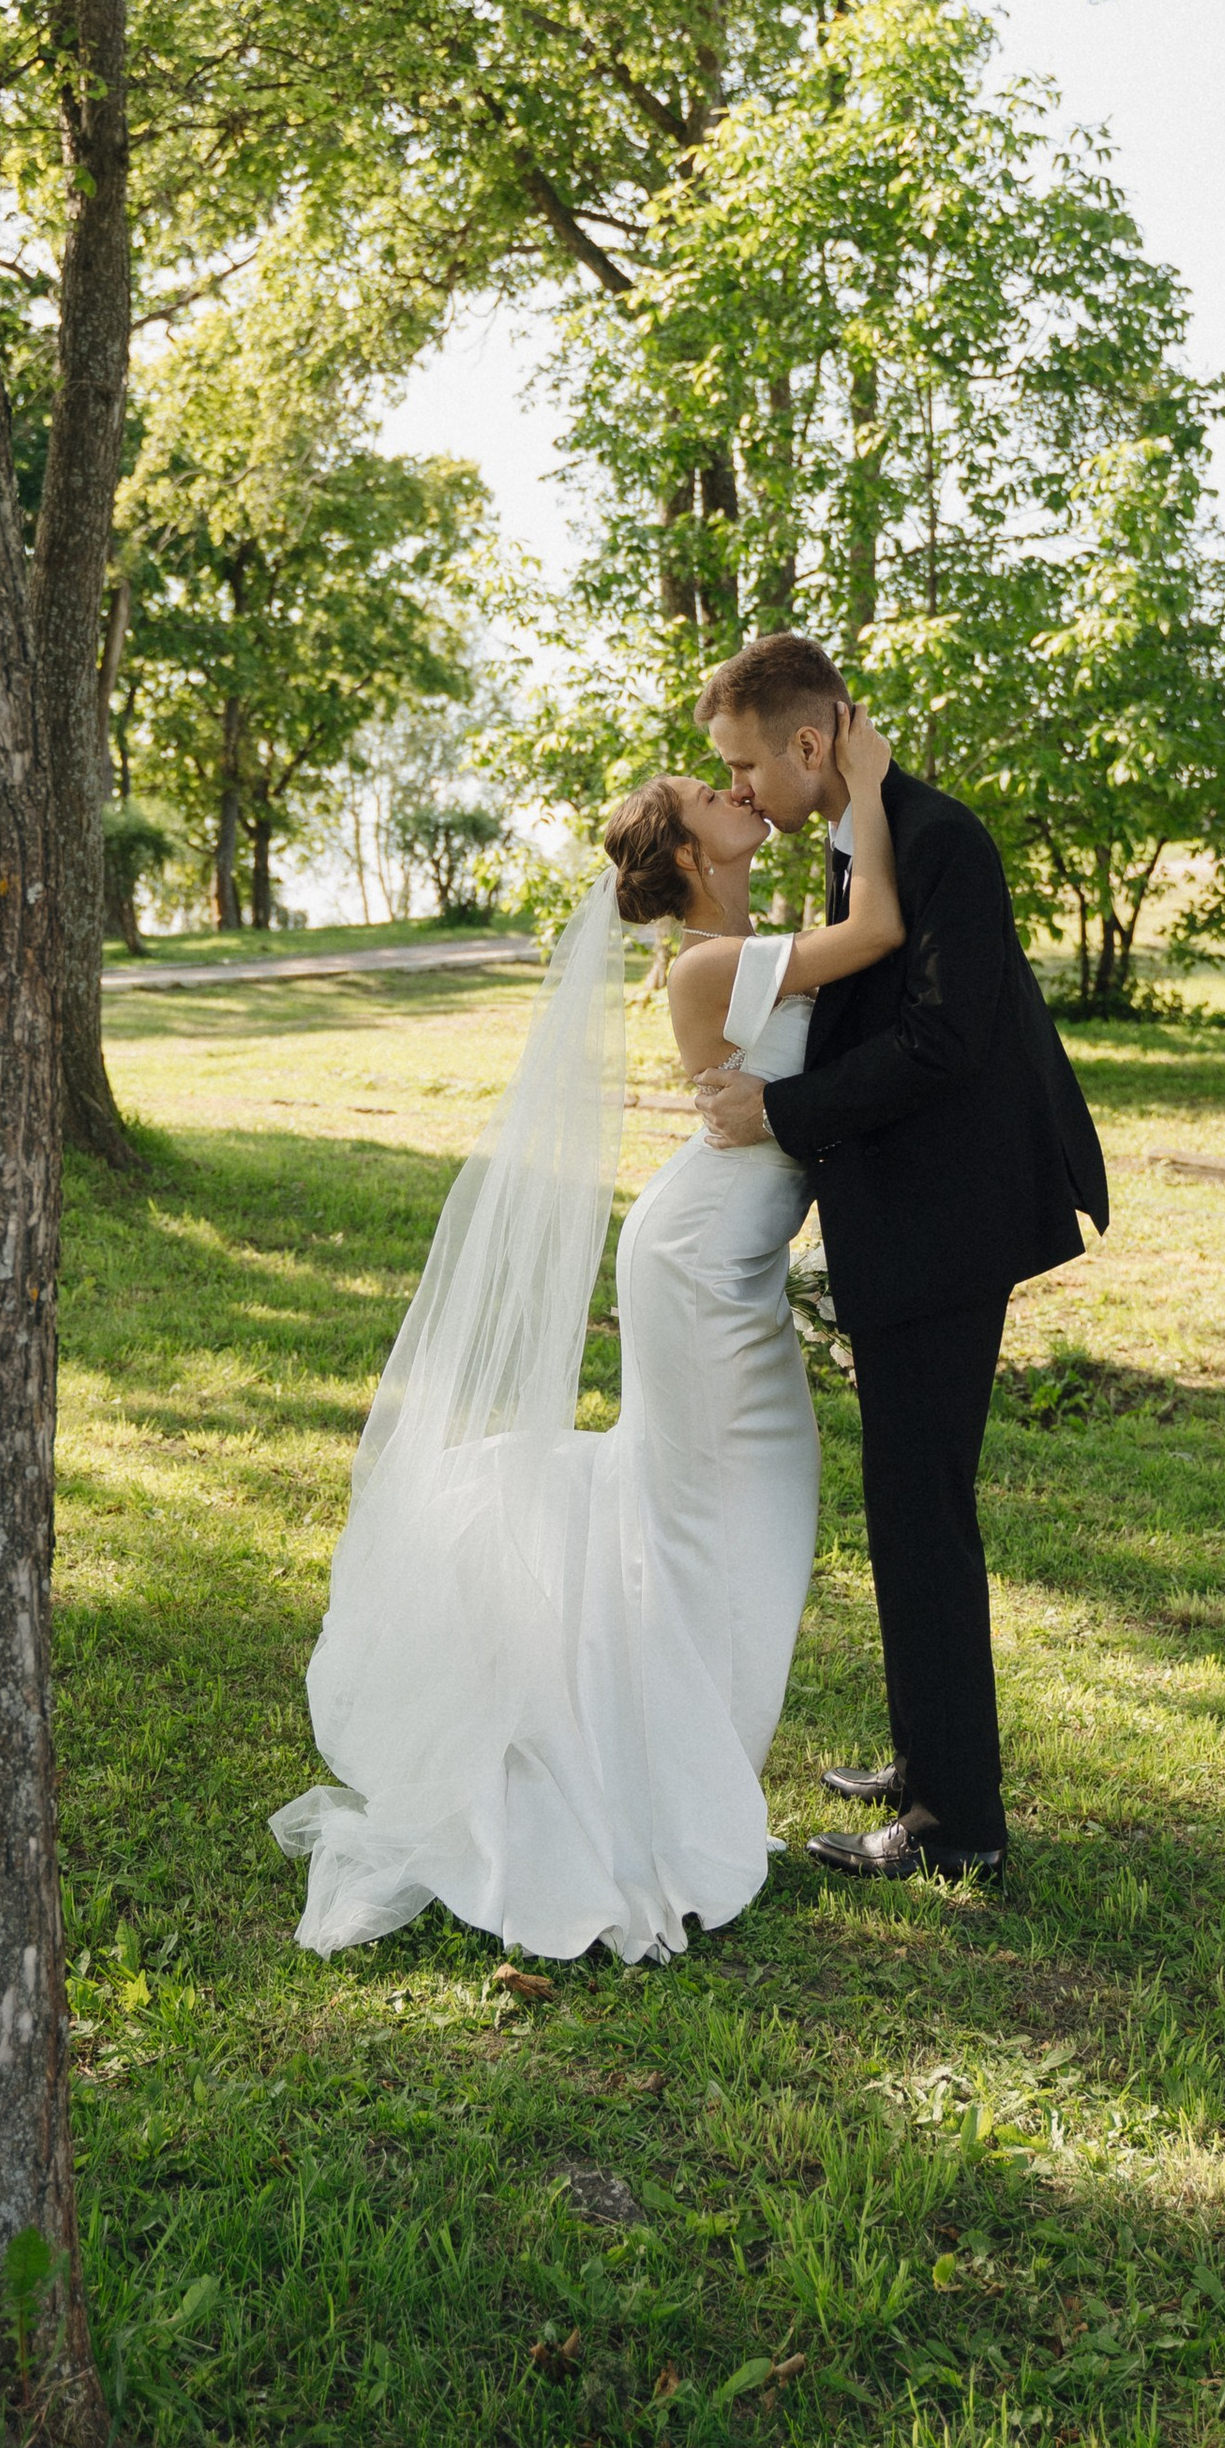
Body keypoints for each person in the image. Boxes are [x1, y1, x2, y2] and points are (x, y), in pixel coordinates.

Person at [269, 711, 906, 1962]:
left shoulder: (743, 943)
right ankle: (656, 1782)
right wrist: (867, 784)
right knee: (710, 1512)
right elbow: (878, 929)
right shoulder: (708, 966)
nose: (738, 792)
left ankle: (675, 1753)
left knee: (724, 1511)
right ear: (685, 857)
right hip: (696, 1263)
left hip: (720, 1251)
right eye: (712, 795)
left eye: (736, 778)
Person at [694, 632, 1108, 1886]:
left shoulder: (937, 839)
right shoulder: (865, 834)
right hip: (913, 1212)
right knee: (906, 1509)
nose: (740, 788)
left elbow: (942, 1045)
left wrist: (778, 1113)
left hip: (950, 1218)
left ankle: (954, 1825)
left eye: (743, 766)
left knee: (921, 1516)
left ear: (807, 745)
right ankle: (931, 1761)